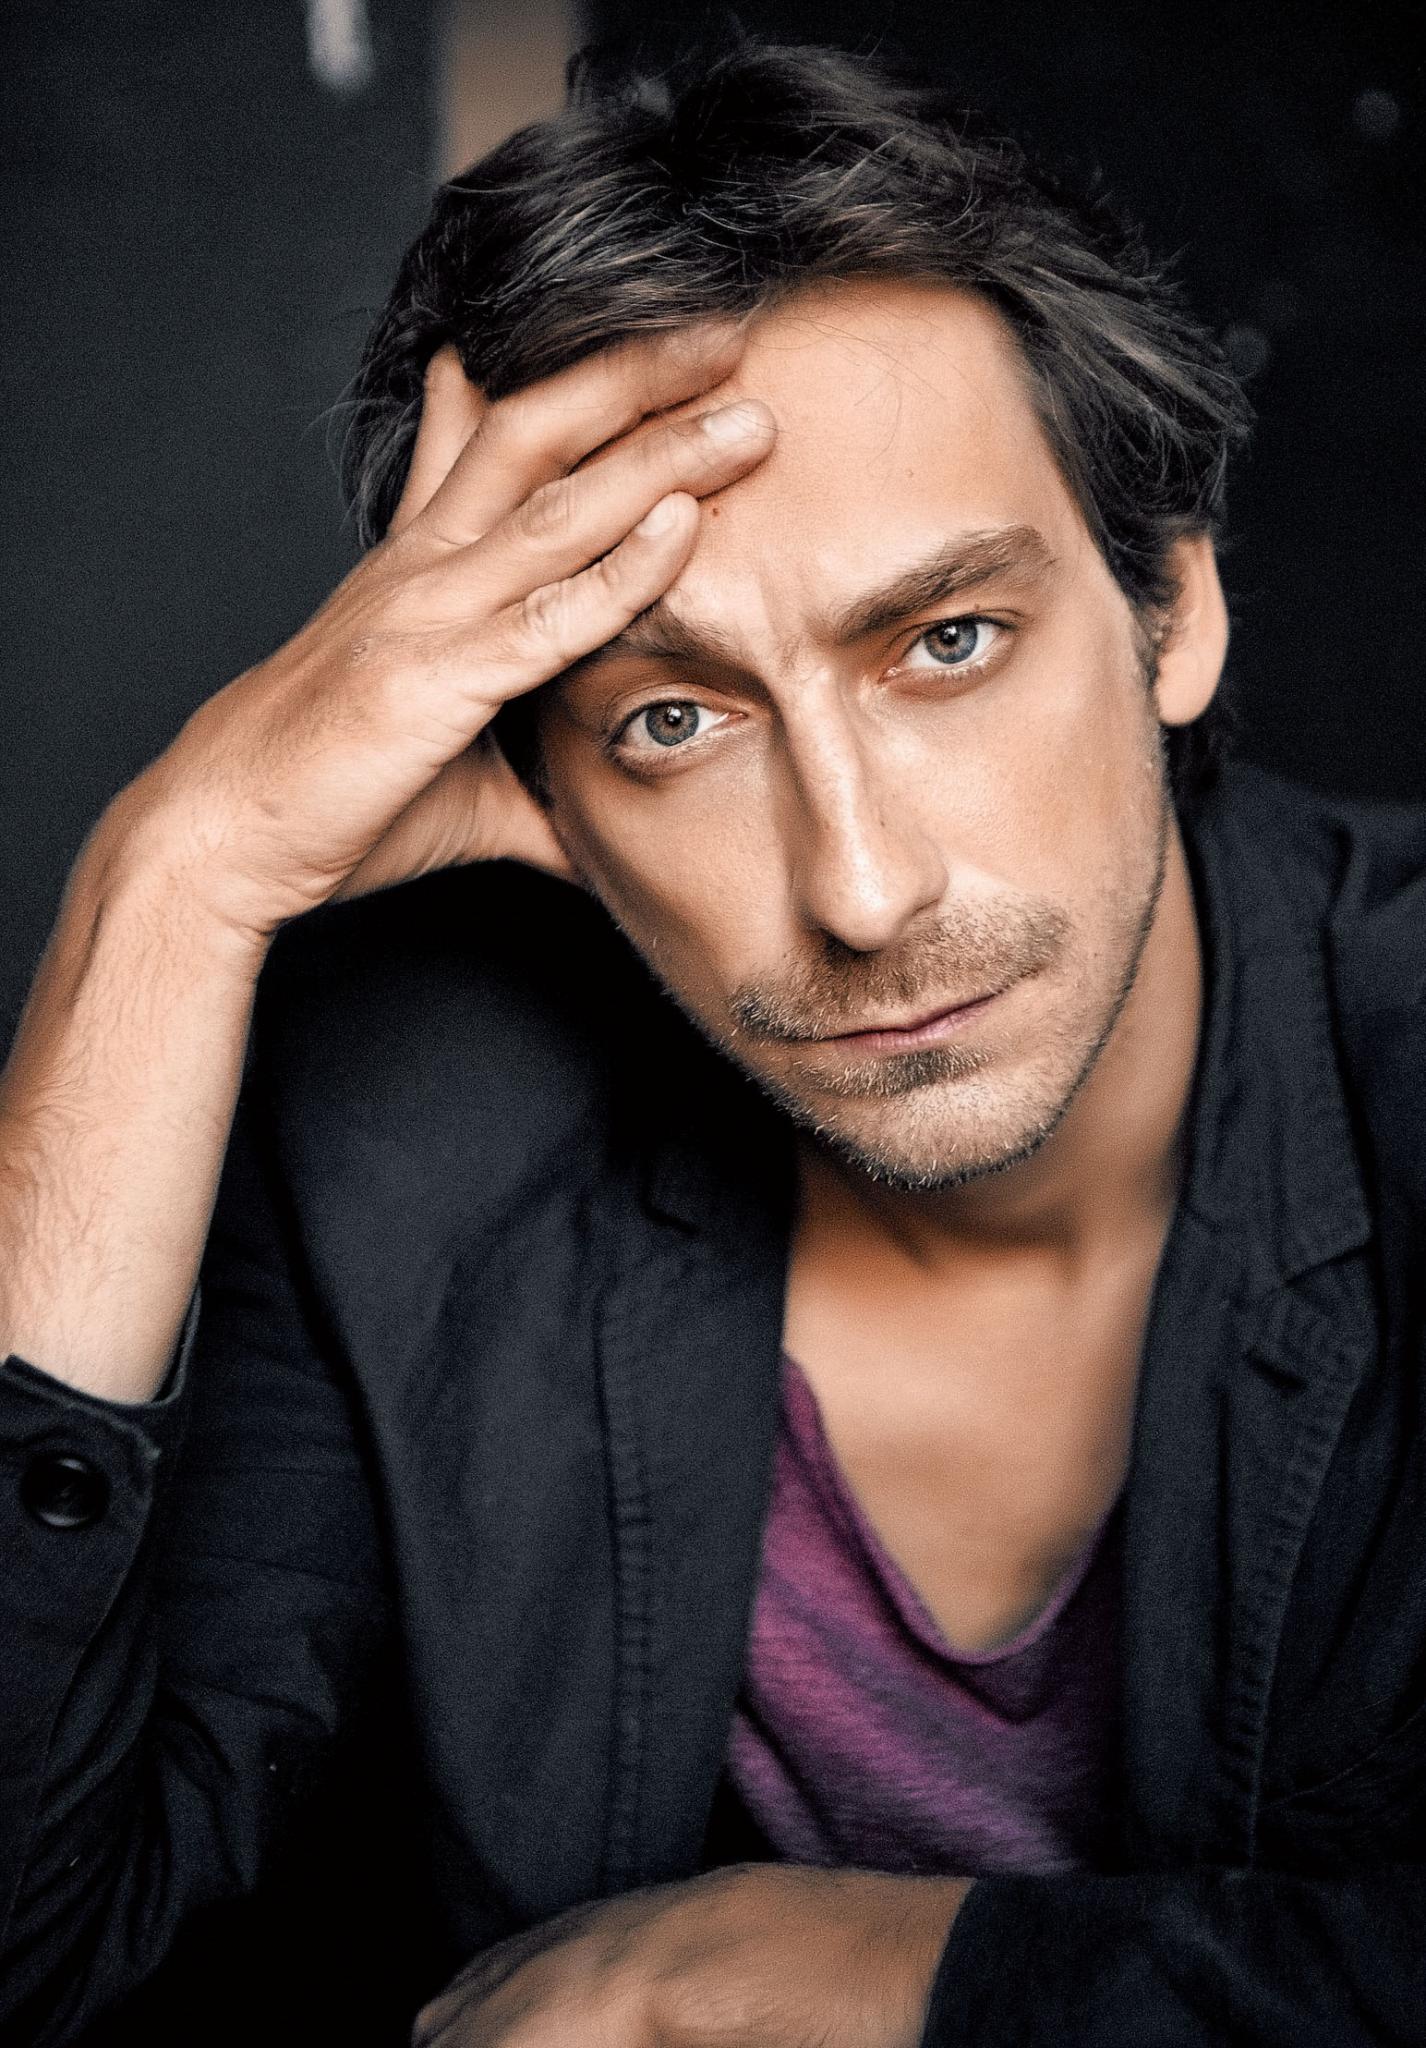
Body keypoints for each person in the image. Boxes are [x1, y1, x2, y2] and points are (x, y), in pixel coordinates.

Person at [1, 34, 1422, 2047]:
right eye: (672, 720)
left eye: (945, 642)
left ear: (1168, 614)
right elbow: (42, 1956)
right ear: (536, 786)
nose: (859, 888)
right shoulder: (394, 1141)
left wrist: (889, 1970)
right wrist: (170, 884)